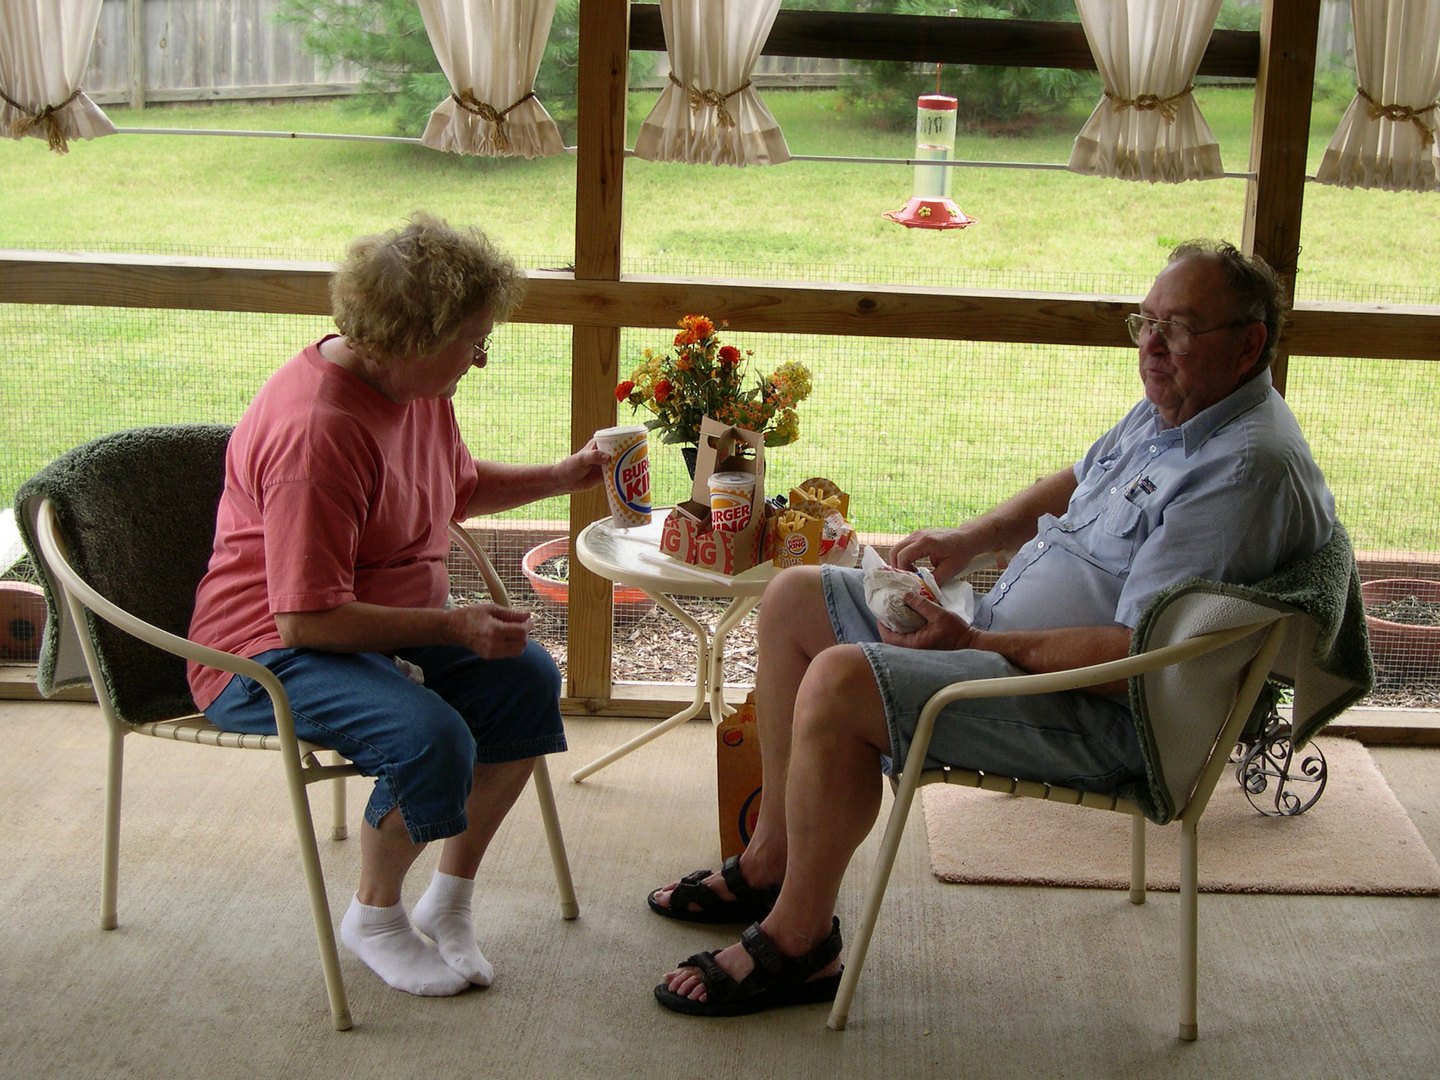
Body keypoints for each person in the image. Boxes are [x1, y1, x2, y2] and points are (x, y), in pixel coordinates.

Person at [647, 239, 1336, 1016]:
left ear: (1247, 344)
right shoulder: (1179, 408)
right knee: (793, 599)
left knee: (842, 682)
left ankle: (799, 944)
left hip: (1100, 711)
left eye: (1177, 329)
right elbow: (1079, 480)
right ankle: (770, 861)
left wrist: (973, 644)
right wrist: (971, 539)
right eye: (1145, 322)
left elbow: (1136, 656)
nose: (1150, 346)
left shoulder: (1242, 472)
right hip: (1013, 648)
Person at [186, 213, 606, 998]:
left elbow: (454, 485)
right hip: (265, 652)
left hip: (372, 627)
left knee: (525, 682)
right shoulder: (319, 433)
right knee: (430, 738)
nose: (480, 359)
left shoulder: (416, 386)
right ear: (415, 336)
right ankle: (375, 917)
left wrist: (562, 475)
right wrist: (452, 625)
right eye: (473, 341)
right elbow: (306, 618)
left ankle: (449, 898)